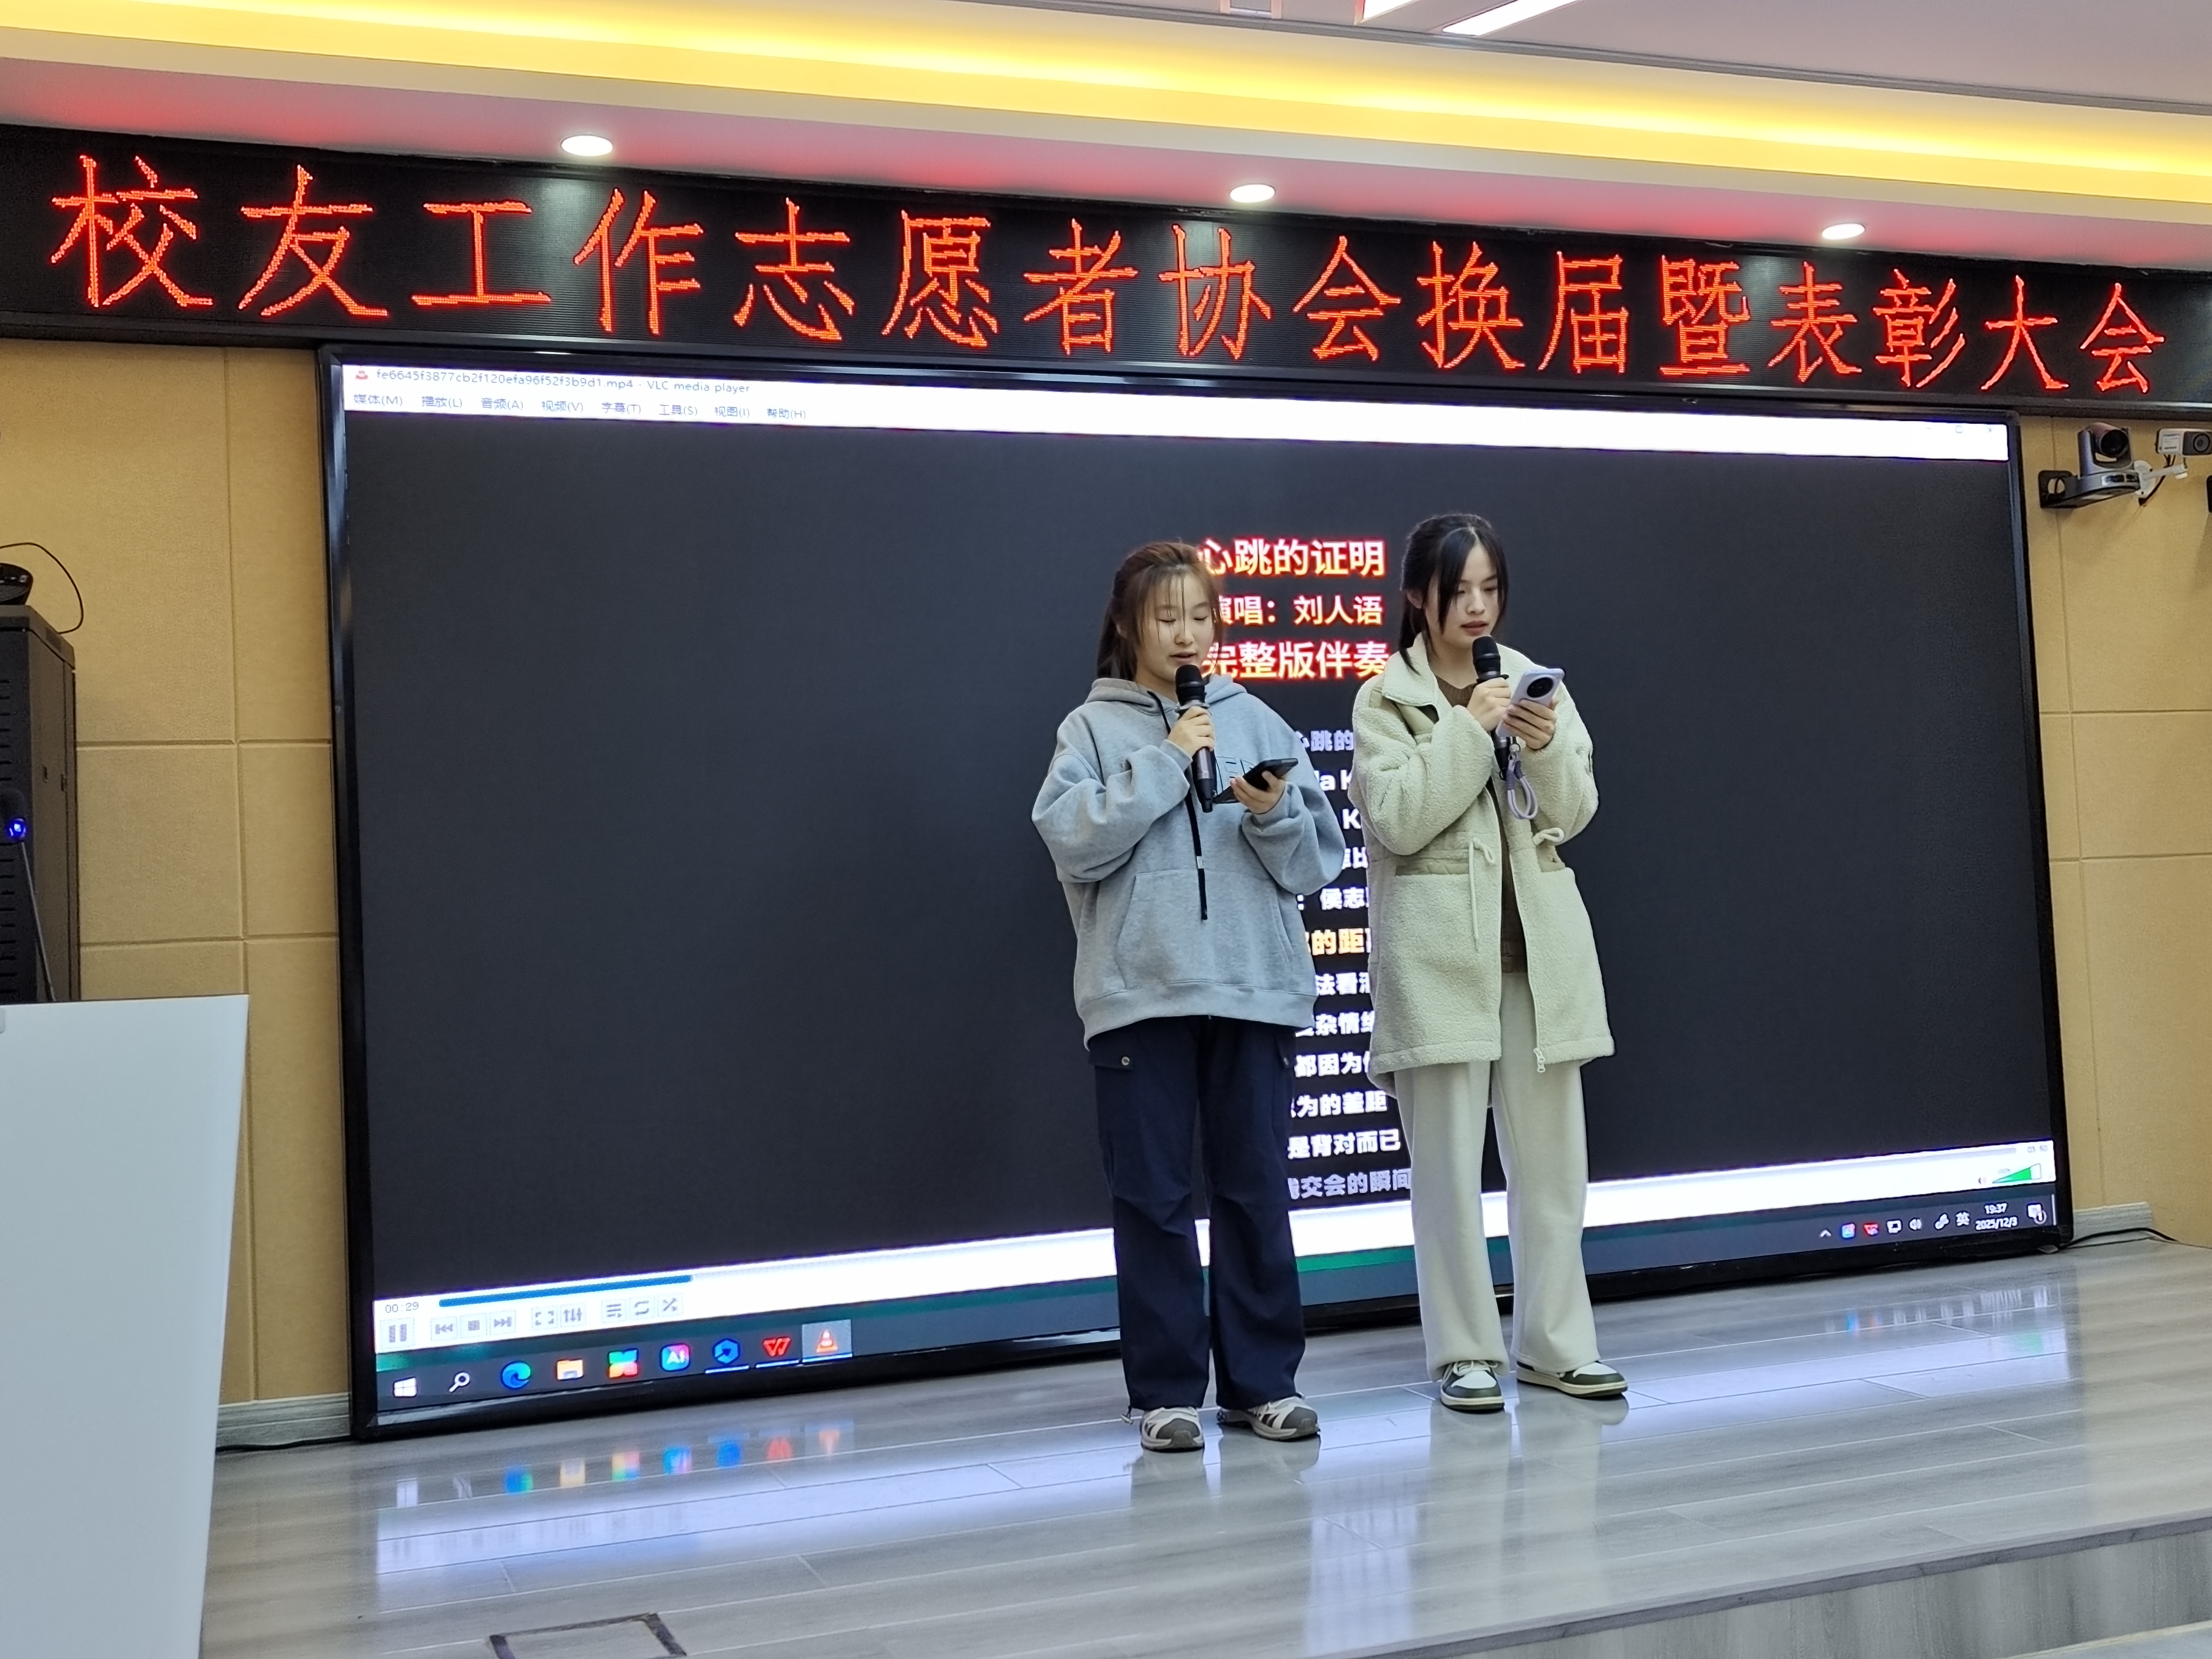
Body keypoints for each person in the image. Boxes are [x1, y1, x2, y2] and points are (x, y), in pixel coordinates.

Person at [1034, 540, 1346, 1452]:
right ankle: (1166, 1392)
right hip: (1141, 996)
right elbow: (1073, 839)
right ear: (1127, 625)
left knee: (1256, 1191)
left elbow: (1316, 863)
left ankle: (1264, 1385)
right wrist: (1168, 760)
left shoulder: (1256, 719)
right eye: (1167, 617)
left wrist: (1272, 812)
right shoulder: (1090, 731)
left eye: (1201, 616)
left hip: (1253, 990)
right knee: (1154, 1198)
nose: (1187, 634)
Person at [1349, 512, 1626, 1414]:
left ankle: (1557, 1345)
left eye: (1490, 589)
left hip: (1537, 960)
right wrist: (1469, 730)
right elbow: (1397, 819)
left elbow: (1575, 811)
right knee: (1446, 1178)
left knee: (1553, 1172)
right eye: (1458, 590)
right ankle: (1464, 1353)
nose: (1477, 607)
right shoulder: (1386, 699)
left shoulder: (1534, 680)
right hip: (1438, 964)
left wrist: (1541, 749)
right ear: (1418, 597)